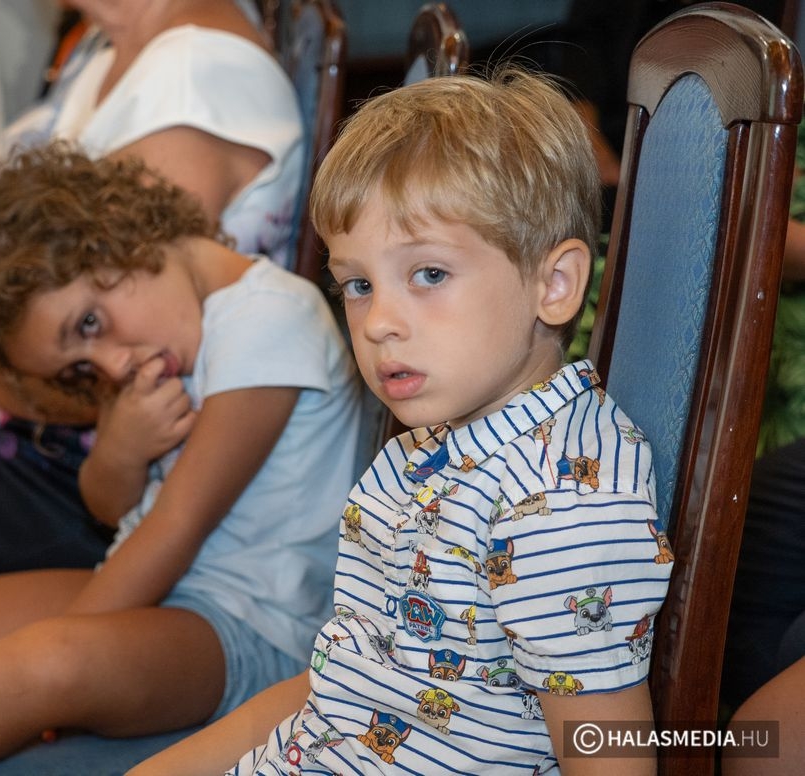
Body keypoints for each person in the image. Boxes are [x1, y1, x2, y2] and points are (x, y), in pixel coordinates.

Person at [129, 68, 674, 776]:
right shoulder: (430, 449)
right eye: (359, 285)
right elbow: (339, 692)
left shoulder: (559, 508)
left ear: (555, 283)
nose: (379, 322)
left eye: (429, 274)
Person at [0, 143, 361, 775]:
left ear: (117, 236)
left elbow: (178, 525)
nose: (113, 365)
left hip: (249, 626)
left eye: (89, 324)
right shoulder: (165, 345)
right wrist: (120, 451)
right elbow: (110, 508)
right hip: (159, 585)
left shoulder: (269, 320)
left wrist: (64, 642)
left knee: (41, 662)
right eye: (79, 368)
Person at [0, 0, 305, 589]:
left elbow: (63, 306)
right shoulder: (96, 50)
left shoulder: (196, 77)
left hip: (71, 452)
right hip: (61, 434)